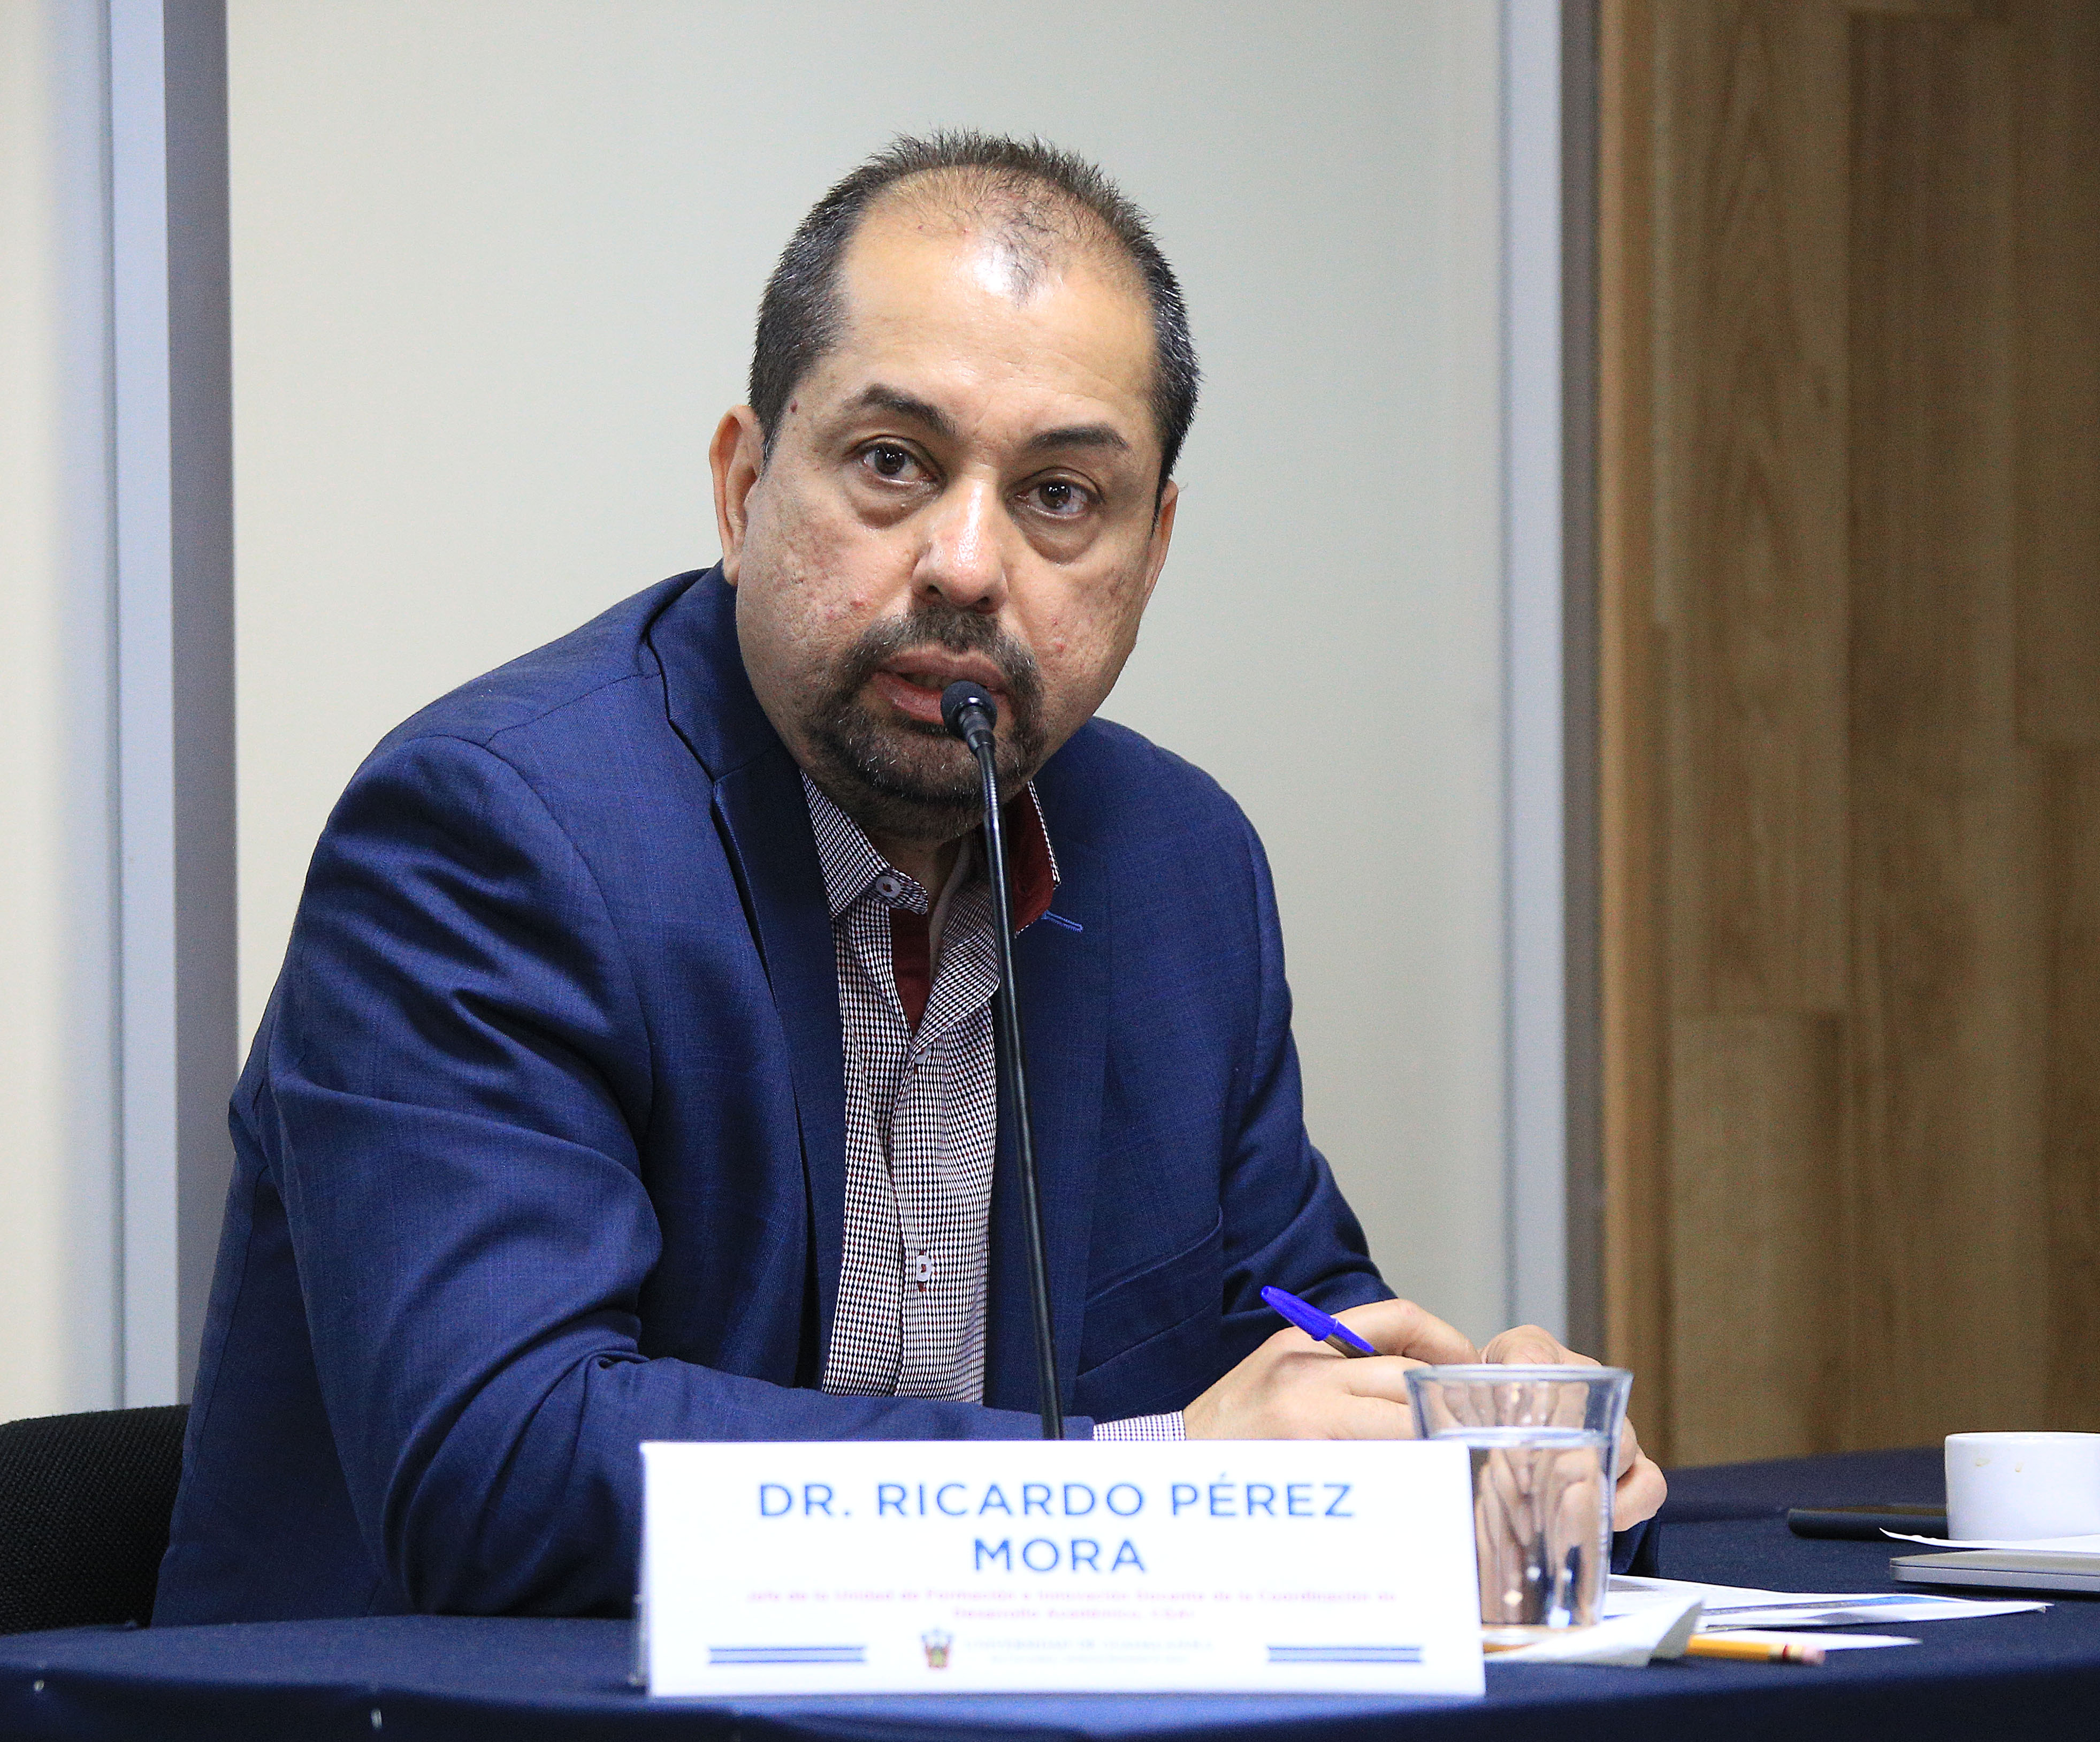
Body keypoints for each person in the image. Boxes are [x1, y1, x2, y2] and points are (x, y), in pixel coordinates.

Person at [154, 132, 1664, 1625]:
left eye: (1060, 495)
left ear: (1152, 551)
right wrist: (1141, 1482)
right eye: (893, 463)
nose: (966, 563)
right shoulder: (498, 835)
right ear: (743, 486)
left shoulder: (1178, 867)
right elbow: (501, 1472)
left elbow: (1285, 1346)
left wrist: (1461, 1441)